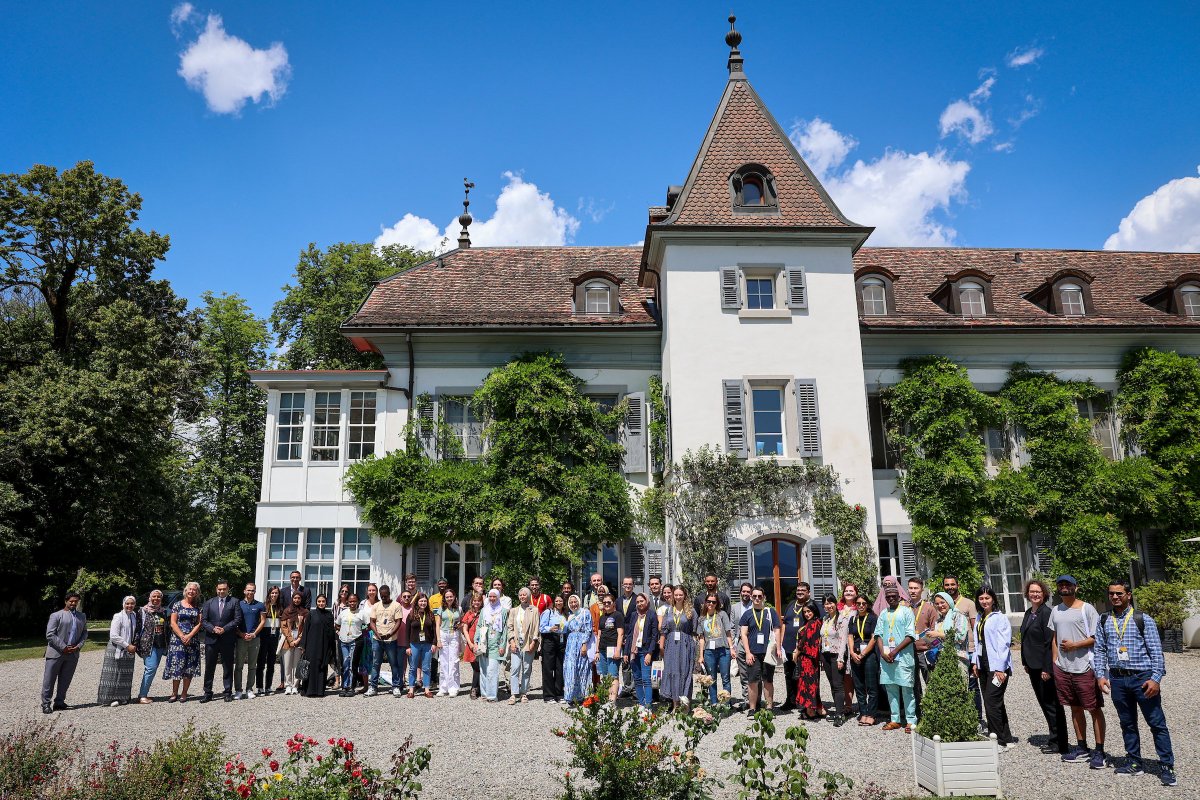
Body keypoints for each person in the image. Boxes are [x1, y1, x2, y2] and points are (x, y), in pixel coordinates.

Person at [1095, 580, 1175, 786]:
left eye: (1119, 593)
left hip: (1142, 678)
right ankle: (1134, 762)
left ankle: (1166, 765)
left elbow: (1156, 652)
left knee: (1156, 723)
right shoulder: (1104, 619)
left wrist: (1155, 679)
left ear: (1128, 595)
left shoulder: (1142, 619)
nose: (1115, 597)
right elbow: (1100, 650)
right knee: (1127, 723)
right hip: (1118, 678)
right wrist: (1100, 675)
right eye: (1112, 593)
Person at [1049, 574, 1107, 769]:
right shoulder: (1056, 610)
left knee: (1093, 708)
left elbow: (1097, 637)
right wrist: (1055, 661)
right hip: (1064, 669)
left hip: (1084, 667)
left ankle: (1100, 751)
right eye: (1061, 584)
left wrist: (1076, 645)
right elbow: (1055, 637)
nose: (1064, 587)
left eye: (1068, 584)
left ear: (1076, 587)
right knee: (1074, 708)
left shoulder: (1086, 608)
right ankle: (1082, 747)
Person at [1020, 579, 1068, 755]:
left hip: (1044, 668)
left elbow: (1050, 643)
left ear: (1044, 594)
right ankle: (1053, 737)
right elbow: (1026, 639)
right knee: (1044, 703)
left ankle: (1059, 742)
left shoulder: (1046, 613)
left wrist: (1047, 668)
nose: (1035, 594)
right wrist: (1025, 661)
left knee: (1052, 705)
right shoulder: (1028, 613)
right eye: (1032, 592)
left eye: (1038, 592)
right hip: (1032, 666)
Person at [973, 586, 1015, 747]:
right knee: (995, 702)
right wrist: (975, 663)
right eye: (981, 598)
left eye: (987, 598)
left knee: (991, 702)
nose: (984, 601)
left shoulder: (1000, 618)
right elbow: (978, 642)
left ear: (994, 599)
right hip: (983, 664)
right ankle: (1007, 738)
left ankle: (998, 740)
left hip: (997, 666)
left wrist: (1000, 668)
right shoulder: (979, 617)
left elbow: (1004, 644)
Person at [875, 583, 917, 732]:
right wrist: (883, 653)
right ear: (885, 598)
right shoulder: (883, 614)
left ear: (899, 597)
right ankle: (895, 719)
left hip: (903, 657)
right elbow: (878, 634)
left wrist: (894, 651)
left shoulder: (906, 612)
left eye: (894, 596)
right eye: (888, 597)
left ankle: (911, 720)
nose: (891, 599)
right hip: (887, 658)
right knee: (891, 689)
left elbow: (910, 635)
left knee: (907, 689)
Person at [42, 591, 88, 714]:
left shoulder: (81, 616)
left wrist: (78, 646)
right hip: (56, 652)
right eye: (71, 601)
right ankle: (46, 703)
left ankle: (59, 702)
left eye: (76, 601)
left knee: (65, 679)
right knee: (49, 679)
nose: (73, 603)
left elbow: (85, 633)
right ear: (66, 601)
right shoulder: (56, 615)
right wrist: (63, 647)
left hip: (73, 653)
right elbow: (50, 634)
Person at [739, 587, 782, 715]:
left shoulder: (771, 612)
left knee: (768, 680)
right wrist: (747, 652)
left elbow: (777, 630)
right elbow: (743, 634)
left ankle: (769, 707)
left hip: (768, 652)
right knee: (752, 681)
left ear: (764, 597)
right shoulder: (747, 614)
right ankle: (752, 708)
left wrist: (778, 648)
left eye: (759, 596)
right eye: (754, 596)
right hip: (753, 653)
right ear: (751, 597)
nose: (757, 599)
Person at [943, 574, 981, 719]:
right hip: (951, 650)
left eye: (952, 584)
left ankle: (977, 718)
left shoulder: (968, 603)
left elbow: (975, 627)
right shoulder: (943, 604)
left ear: (957, 585)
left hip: (969, 650)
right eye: (947, 585)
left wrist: (976, 650)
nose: (950, 587)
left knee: (972, 686)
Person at [200, 579, 244, 703]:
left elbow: (237, 619)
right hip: (211, 639)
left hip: (227, 639)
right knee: (209, 667)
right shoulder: (209, 602)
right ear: (216, 589)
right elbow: (204, 620)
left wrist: (224, 629)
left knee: (228, 666)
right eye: (219, 589)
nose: (221, 591)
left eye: (224, 589)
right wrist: (213, 629)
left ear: (227, 589)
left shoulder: (234, 602)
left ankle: (228, 692)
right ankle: (207, 692)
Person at [659, 586, 699, 711]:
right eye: (675, 595)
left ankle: (686, 705)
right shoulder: (669, 610)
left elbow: (694, 631)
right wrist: (661, 646)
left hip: (686, 644)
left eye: (680, 594)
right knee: (673, 673)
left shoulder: (691, 611)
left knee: (685, 673)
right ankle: (676, 705)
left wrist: (695, 651)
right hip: (671, 645)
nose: (677, 597)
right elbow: (664, 630)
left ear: (685, 595)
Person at [781, 583, 818, 713]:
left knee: (803, 676)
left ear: (809, 592)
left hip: (802, 648)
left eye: (803, 590)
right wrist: (781, 643)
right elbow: (785, 624)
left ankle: (802, 701)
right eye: (798, 590)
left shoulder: (811, 606)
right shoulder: (791, 605)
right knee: (789, 674)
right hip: (788, 646)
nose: (800, 592)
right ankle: (790, 700)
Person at [164, 582, 202, 703]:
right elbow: (173, 623)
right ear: (186, 590)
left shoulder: (198, 607)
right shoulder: (177, 605)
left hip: (192, 640)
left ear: (197, 592)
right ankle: (174, 693)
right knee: (177, 666)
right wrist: (182, 636)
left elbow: (199, 623)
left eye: (194, 590)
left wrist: (190, 636)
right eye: (190, 589)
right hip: (177, 640)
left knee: (189, 668)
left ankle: (184, 693)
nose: (191, 591)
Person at [98, 596, 139, 707]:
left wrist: (133, 645)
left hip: (129, 648)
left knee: (125, 674)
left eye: (132, 604)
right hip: (117, 648)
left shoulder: (134, 616)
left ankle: (123, 697)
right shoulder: (118, 616)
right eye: (127, 604)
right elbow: (114, 636)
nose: (129, 606)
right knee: (113, 674)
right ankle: (108, 699)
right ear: (123, 604)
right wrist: (126, 645)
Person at [848, 594, 879, 726]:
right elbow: (850, 636)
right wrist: (851, 652)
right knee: (859, 685)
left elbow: (874, 638)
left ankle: (871, 714)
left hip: (869, 655)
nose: (861, 606)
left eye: (863, 603)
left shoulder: (872, 618)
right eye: (858, 603)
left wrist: (863, 653)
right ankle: (863, 712)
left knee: (871, 686)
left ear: (867, 605)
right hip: (855, 654)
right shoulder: (853, 619)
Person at [368, 585, 404, 697]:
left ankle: (396, 686)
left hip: (391, 640)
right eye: (382, 596)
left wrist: (391, 633)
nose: (383, 598)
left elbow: (399, 621)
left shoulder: (396, 605)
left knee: (393, 663)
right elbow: (372, 621)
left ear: (389, 594)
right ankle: (373, 687)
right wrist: (376, 633)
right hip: (377, 639)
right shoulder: (376, 606)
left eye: (385, 596)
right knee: (375, 663)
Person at [625, 593, 659, 711]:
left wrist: (650, 653)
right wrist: (626, 653)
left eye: (642, 601)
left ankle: (648, 705)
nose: (639, 604)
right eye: (638, 602)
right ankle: (642, 703)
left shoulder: (651, 615)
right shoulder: (634, 615)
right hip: (634, 651)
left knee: (646, 679)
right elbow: (629, 635)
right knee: (637, 679)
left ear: (647, 602)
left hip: (645, 651)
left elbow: (655, 636)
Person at [819, 594, 849, 725]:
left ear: (835, 603)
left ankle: (839, 714)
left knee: (838, 685)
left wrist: (841, 658)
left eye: (830, 602)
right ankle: (838, 710)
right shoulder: (825, 618)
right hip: (826, 655)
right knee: (832, 684)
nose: (828, 606)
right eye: (826, 603)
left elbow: (843, 640)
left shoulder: (842, 618)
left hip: (837, 655)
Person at [908, 577, 938, 707]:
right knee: (913, 683)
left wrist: (929, 647)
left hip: (925, 651)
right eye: (910, 588)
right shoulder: (904, 607)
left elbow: (935, 630)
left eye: (916, 588)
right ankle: (919, 711)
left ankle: (933, 708)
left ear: (922, 589)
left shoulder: (929, 608)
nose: (913, 591)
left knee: (930, 681)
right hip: (908, 651)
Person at [699, 593, 733, 706]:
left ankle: (726, 703)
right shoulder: (702, 618)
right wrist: (701, 655)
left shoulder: (722, 615)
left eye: (714, 602)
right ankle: (714, 703)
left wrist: (731, 648)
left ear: (717, 603)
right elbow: (702, 638)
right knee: (711, 679)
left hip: (723, 650)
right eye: (709, 601)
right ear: (705, 602)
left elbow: (728, 632)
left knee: (725, 678)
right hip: (709, 652)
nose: (711, 604)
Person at [507, 587, 540, 703]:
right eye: (520, 595)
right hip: (515, 643)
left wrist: (534, 642)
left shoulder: (534, 610)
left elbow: (536, 628)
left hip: (528, 643)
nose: (522, 597)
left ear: (529, 596)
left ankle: (524, 692)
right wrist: (511, 642)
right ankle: (514, 693)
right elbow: (509, 628)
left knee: (526, 668)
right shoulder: (513, 611)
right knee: (515, 668)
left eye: (524, 595)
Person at [926, 591, 969, 677]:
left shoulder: (958, 616)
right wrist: (931, 641)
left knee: (959, 688)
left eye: (942, 602)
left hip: (958, 659)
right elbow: (939, 641)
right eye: (937, 604)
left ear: (949, 602)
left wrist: (938, 635)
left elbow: (960, 637)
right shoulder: (939, 621)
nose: (940, 606)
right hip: (942, 658)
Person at [476, 589, 508, 701]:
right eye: (490, 596)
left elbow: (504, 630)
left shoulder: (503, 611)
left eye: (494, 597)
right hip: (484, 643)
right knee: (483, 669)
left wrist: (502, 645)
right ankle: (484, 694)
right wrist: (476, 641)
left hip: (496, 644)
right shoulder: (484, 611)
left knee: (492, 671)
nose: (492, 599)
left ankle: (492, 695)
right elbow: (479, 626)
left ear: (498, 597)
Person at [136, 589, 169, 704]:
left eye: (158, 597)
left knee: (152, 669)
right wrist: (136, 644)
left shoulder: (163, 611)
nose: (156, 599)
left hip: (160, 644)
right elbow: (138, 628)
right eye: (154, 597)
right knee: (151, 668)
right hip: (148, 644)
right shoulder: (143, 611)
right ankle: (142, 695)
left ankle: (143, 693)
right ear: (149, 598)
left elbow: (167, 628)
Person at [234, 582, 265, 700]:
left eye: (252, 590)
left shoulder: (260, 605)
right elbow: (234, 621)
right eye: (248, 590)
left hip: (254, 638)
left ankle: (249, 689)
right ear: (244, 591)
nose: (250, 592)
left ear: (255, 592)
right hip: (241, 638)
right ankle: (238, 690)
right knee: (239, 666)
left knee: (252, 666)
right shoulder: (238, 604)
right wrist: (241, 634)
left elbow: (262, 621)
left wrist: (254, 634)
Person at [563, 595, 596, 705]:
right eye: (571, 602)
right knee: (571, 669)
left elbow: (588, 629)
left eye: (575, 602)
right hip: (571, 645)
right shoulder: (570, 616)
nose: (573, 604)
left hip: (581, 642)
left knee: (582, 669)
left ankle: (584, 696)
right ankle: (571, 696)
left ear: (579, 601)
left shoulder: (585, 612)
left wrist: (584, 644)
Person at [301, 594, 335, 698]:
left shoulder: (329, 615)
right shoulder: (311, 614)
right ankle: (309, 690)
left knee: (322, 666)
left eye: (323, 601)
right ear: (316, 602)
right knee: (311, 667)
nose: (321, 603)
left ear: (326, 602)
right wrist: (303, 646)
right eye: (319, 601)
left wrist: (331, 648)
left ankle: (320, 691)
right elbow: (306, 630)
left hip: (324, 645)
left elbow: (331, 632)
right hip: (311, 645)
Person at [793, 603, 823, 720]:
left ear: (814, 611)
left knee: (808, 684)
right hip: (809, 659)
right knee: (811, 683)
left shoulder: (813, 623)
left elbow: (805, 642)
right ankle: (815, 708)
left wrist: (797, 652)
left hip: (808, 659)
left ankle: (811, 711)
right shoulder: (813, 623)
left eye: (809, 611)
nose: (807, 614)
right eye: (805, 612)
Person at [335, 593, 369, 697]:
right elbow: (337, 624)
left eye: (354, 601)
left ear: (358, 602)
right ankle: (344, 686)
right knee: (345, 664)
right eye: (350, 601)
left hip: (355, 641)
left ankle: (351, 687)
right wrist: (339, 632)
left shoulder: (362, 613)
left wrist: (361, 632)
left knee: (352, 664)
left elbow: (368, 625)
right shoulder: (343, 613)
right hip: (343, 641)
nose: (352, 603)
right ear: (347, 602)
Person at [406, 592, 437, 698]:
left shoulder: (430, 615)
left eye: (424, 601)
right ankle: (411, 689)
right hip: (414, 644)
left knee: (426, 668)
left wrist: (434, 643)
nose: (423, 603)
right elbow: (407, 632)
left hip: (427, 644)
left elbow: (434, 632)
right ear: (417, 602)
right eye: (421, 601)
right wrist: (407, 646)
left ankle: (427, 690)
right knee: (413, 667)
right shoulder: (411, 615)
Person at [595, 595, 625, 703]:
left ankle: (613, 701)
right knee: (605, 675)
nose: (606, 604)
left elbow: (620, 634)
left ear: (613, 603)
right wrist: (597, 651)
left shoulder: (618, 615)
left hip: (613, 648)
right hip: (602, 649)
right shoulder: (602, 617)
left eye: (609, 602)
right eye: (605, 602)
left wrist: (618, 650)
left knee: (613, 675)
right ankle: (608, 698)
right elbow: (599, 634)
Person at [279, 590, 308, 695]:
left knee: (297, 665)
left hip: (299, 642)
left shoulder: (305, 612)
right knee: (287, 665)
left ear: (301, 599)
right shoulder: (287, 611)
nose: (297, 600)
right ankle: (288, 685)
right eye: (295, 598)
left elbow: (305, 628)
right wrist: (291, 640)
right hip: (288, 641)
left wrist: (298, 639)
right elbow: (283, 626)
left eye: (299, 598)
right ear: (292, 599)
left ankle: (295, 685)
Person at [540, 594, 568, 702]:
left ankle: (559, 693)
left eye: (560, 601)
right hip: (550, 639)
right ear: (553, 602)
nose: (558, 603)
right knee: (548, 668)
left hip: (561, 640)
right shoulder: (548, 612)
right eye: (556, 601)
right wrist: (550, 628)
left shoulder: (565, 614)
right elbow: (541, 627)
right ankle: (549, 695)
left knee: (560, 668)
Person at [435, 588, 462, 697]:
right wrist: (438, 640)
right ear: (444, 598)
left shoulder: (458, 609)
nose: (449, 598)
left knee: (454, 662)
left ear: (454, 597)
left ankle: (453, 688)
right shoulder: (441, 609)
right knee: (443, 662)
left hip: (454, 635)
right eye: (447, 597)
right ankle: (443, 687)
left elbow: (461, 622)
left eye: (451, 596)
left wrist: (459, 625)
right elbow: (437, 624)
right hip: (443, 635)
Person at [256, 586, 282, 695]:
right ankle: (260, 687)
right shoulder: (263, 606)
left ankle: (268, 686)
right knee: (261, 662)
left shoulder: (280, 607)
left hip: (274, 636)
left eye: (276, 593)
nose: (274, 595)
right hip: (264, 635)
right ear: (269, 594)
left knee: (271, 663)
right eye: (272, 593)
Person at [615, 576, 638, 697]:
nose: (628, 586)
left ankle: (634, 689)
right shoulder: (618, 601)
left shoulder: (637, 599)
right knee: (624, 663)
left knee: (632, 660)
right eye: (625, 584)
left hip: (634, 634)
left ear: (633, 585)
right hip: (621, 634)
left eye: (630, 584)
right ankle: (627, 687)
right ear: (622, 585)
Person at [839, 583, 860, 712]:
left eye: (851, 591)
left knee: (856, 675)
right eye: (846, 591)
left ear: (856, 593)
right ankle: (848, 704)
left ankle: (863, 703)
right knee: (845, 676)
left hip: (854, 644)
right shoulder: (838, 608)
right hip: (840, 646)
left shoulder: (859, 608)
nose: (848, 593)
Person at [460, 593, 484, 699]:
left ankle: (475, 688)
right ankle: (476, 688)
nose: (476, 602)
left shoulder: (484, 613)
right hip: (470, 642)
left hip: (481, 643)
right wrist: (469, 642)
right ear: (472, 602)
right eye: (474, 600)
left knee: (479, 667)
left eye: (478, 600)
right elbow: (464, 628)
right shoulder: (468, 613)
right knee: (475, 666)